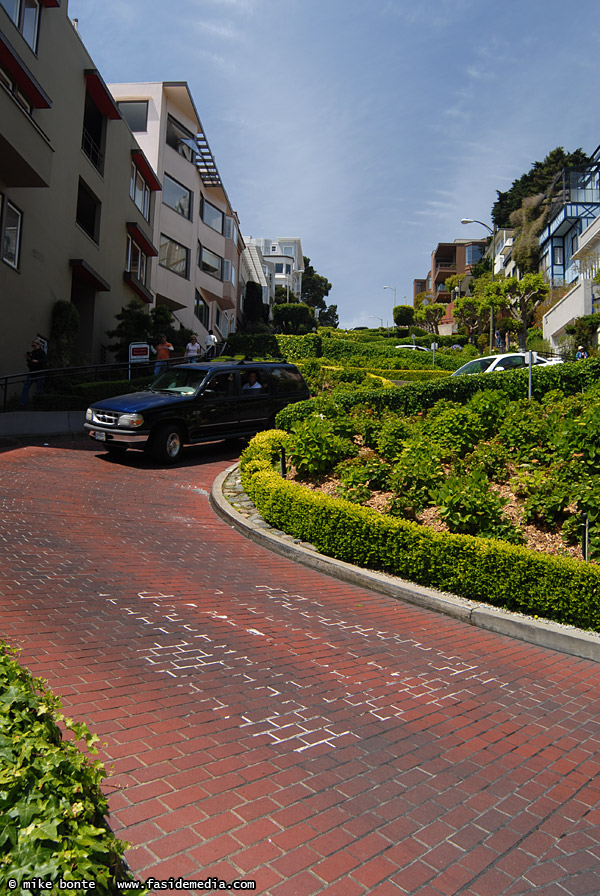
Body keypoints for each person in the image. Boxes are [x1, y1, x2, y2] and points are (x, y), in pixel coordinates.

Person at [18, 338, 47, 407]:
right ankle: (22, 404)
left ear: (38, 345)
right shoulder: (33, 353)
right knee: (25, 388)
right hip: (32, 372)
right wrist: (28, 359)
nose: (33, 347)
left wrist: (37, 361)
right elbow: (30, 363)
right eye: (33, 346)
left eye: (34, 346)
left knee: (39, 390)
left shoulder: (42, 353)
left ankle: (41, 404)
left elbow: (44, 361)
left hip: (39, 372)